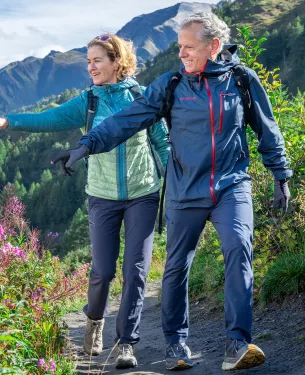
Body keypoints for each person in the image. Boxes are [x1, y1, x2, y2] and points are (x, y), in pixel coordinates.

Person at [53, 12, 291, 372]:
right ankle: (176, 343)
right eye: (179, 46)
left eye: (188, 47)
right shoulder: (172, 83)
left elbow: (267, 128)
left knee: (239, 247)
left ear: (214, 47)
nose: (181, 53)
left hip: (231, 184)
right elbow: (129, 118)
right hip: (184, 191)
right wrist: (86, 145)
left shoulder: (240, 80)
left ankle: (238, 342)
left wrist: (280, 174)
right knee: (176, 267)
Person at [0, 34, 169, 369]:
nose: (91, 66)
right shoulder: (89, 102)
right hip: (103, 197)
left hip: (143, 193)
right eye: (88, 61)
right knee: (103, 272)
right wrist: (7, 121)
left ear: (116, 62)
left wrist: (176, 184)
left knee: (135, 271)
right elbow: (49, 118)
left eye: (97, 60)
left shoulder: (142, 97)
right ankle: (94, 320)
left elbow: (162, 143)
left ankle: (126, 343)